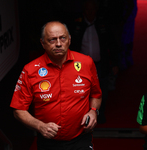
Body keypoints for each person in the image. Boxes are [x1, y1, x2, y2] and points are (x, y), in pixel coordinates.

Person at [10, 21, 102, 150]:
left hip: (81, 138)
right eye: (52, 40)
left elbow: (96, 95)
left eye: (62, 38)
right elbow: (18, 110)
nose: (58, 44)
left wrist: (93, 112)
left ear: (69, 40)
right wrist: (40, 126)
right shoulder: (30, 70)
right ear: (42, 43)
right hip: (48, 141)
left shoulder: (86, 63)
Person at [70, 0, 119, 123]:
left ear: (96, 10)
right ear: (84, 10)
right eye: (87, 9)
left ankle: (100, 114)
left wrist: (114, 63)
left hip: (100, 64)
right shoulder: (76, 25)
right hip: (80, 66)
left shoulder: (103, 24)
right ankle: (84, 116)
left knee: (102, 90)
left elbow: (112, 44)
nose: (90, 12)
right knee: (81, 90)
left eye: (92, 9)